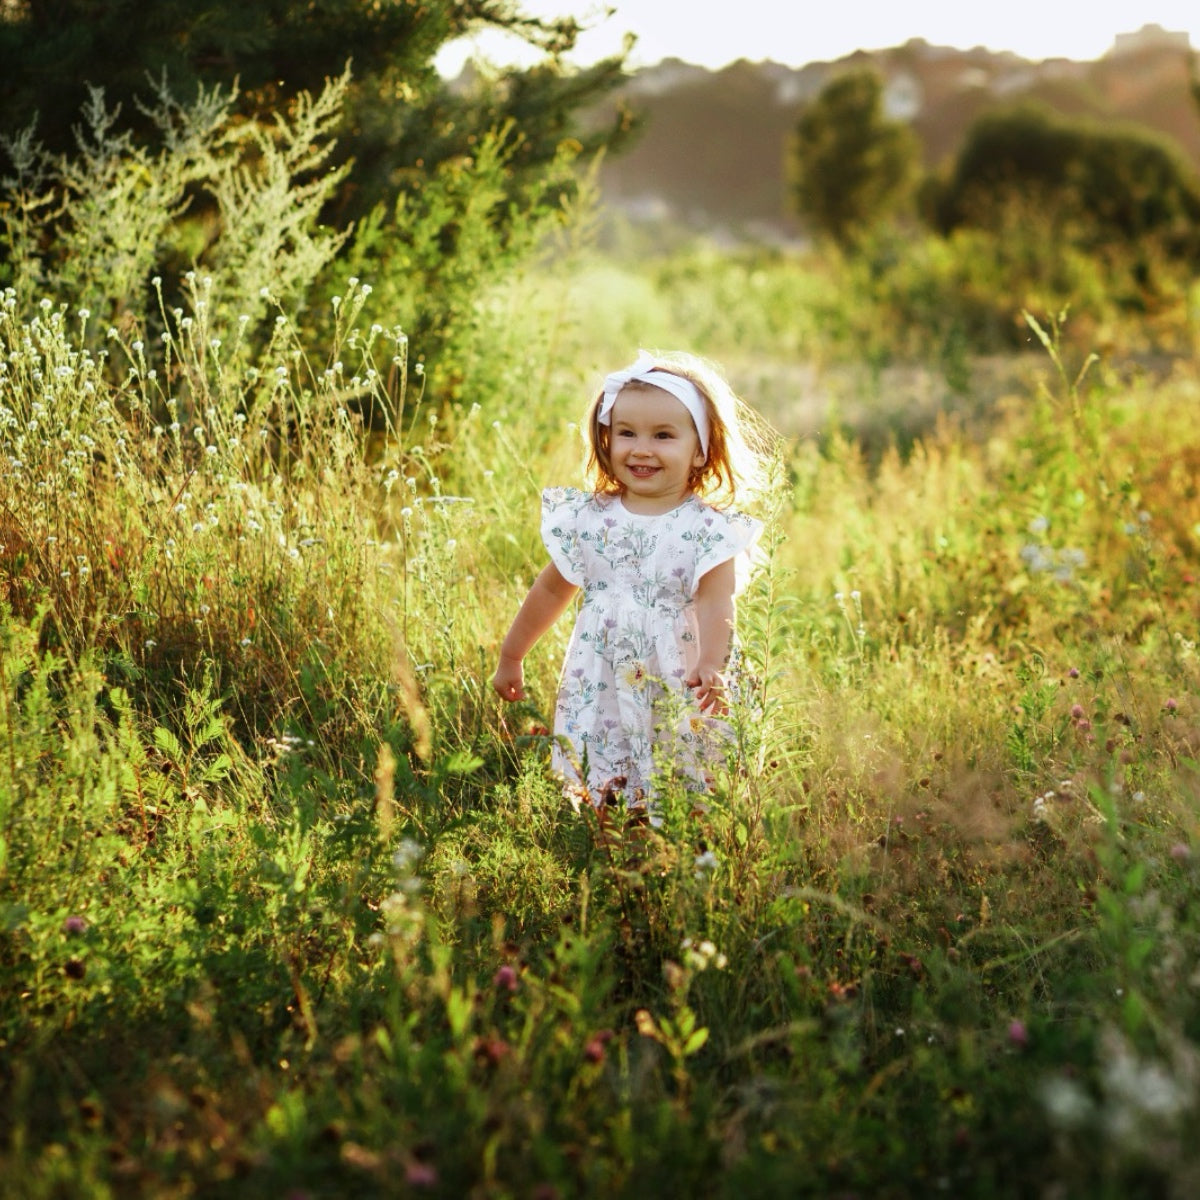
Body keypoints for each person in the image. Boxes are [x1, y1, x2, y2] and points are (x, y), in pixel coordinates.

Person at [491, 349, 775, 821]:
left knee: (686, 770)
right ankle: (614, 845)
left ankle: (689, 853)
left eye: (663, 436)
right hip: (602, 673)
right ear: (606, 440)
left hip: (681, 671)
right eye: (627, 433)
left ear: (700, 449)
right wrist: (512, 654)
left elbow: (715, 601)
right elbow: (550, 590)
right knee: (607, 774)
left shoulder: (708, 528)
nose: (641, 449)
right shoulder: (588, 518)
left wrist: (712, 662)